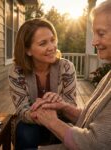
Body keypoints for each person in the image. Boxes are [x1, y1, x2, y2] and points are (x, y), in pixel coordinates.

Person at [31, 1, 111, 150]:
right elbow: (92, 119)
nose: (94, 41)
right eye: (94, 33)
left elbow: (95, 144)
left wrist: (51, 121)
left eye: (101, 33)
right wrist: (64, 107)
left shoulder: (66, 66)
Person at [8, 18, 77, 150]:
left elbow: (71, 105)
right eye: (43, 43)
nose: (51, 47)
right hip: (31, 121)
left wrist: (59, 105)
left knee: (66, 133)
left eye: (52, 40)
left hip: (60, 119)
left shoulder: (66, 67)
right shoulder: (16, 71)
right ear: (28, 50)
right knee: (26, 133)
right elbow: (22, 110)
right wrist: (39, 115)